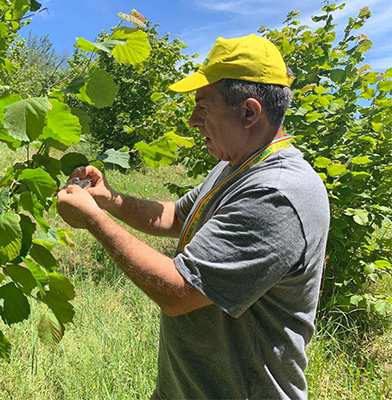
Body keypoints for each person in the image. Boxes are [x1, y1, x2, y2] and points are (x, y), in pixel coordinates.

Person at [57, 34, 330, 400]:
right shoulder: (234, 166)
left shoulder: (277, 194)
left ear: (249, 113)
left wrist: (94, 220)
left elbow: (178, 292)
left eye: (203, 107)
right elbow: (175, 216)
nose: (192, 120)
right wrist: (110, 199)